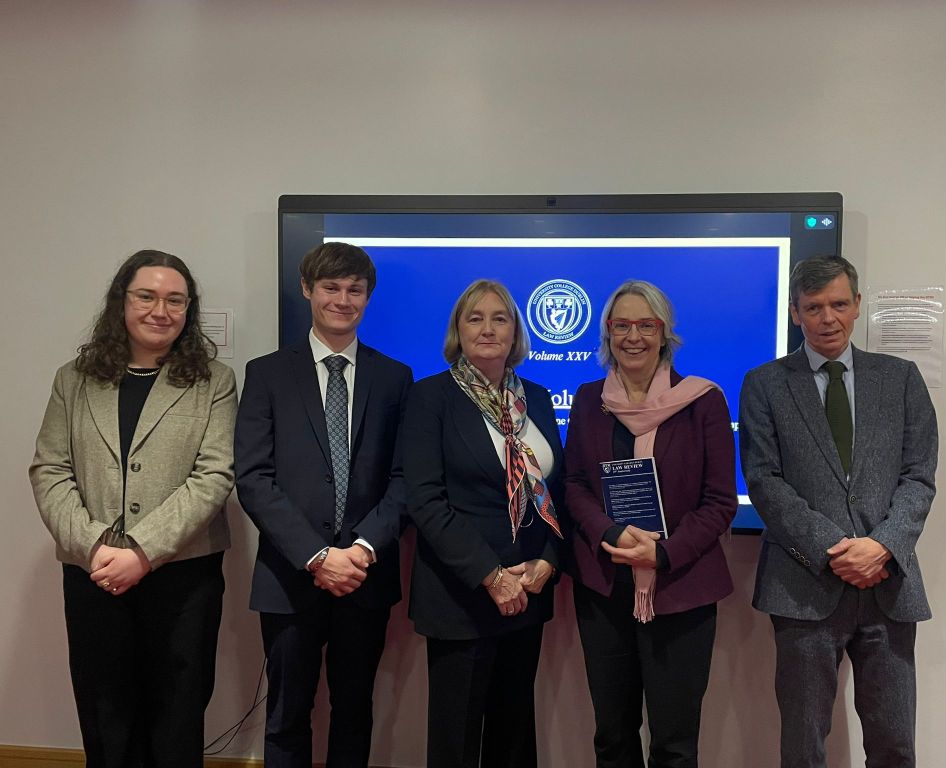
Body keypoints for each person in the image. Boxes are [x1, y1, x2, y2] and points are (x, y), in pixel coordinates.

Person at [29, 249, 236, 768]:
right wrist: (95, 546)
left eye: (175, 300)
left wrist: (143, 551)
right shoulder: (73, 379)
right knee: (105, 710)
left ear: (188, 310)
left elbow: (214, 475)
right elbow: (50, 470)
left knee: (178, 710)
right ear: (121, 301)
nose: (160, 310)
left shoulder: (215, 381)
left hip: (184, 575)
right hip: (93, 572)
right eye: (146, 296)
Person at [739, 255, 938, 768]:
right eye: (813, 307)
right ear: (794, 312)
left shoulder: (901, 378)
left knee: (895, 744)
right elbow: (764, 481)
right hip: (802, 587)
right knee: (803, 748)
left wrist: (882, 547)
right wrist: (834, 549)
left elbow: (919, 476)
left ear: (857, 305)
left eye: (839, 304)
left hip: (888, 587)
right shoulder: (764, 384)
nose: (828, 318)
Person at [234, 242, 412, 768]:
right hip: (289, 578)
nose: (343, 299)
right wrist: (316, 556)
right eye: (331, 287)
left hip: (364, 575)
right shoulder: (267, 373)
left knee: (354, 711)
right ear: (307, 289)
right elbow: (254, 477)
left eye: (355, 289)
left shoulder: (394, 377)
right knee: (287, 716)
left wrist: (361, 549)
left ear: (368, 297)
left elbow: (404, 479)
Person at [564, 279, 737, 768]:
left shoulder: (702, 400)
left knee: (674, 744)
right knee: (612, 736)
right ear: (608, 332)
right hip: (604, 589)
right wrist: (610, 532)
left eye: (646, 325)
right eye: (622, 325)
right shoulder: (589, 399)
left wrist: (662, 552)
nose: (633, 336)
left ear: (664, 333)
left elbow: (720, 501)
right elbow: (574, 484)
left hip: (681, 588)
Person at [403, 279, 565, 768]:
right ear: (459, 330)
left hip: (528, 590)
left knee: (513, 736)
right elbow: (426, 501)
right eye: (475, 318)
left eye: (500, 318)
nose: (488, 328)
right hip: (462, 595)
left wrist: (549, 561)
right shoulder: (430, 397)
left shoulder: (537, 398)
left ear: (515, 331)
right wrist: (491, 577)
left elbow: (556, 491)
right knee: (456, 739)